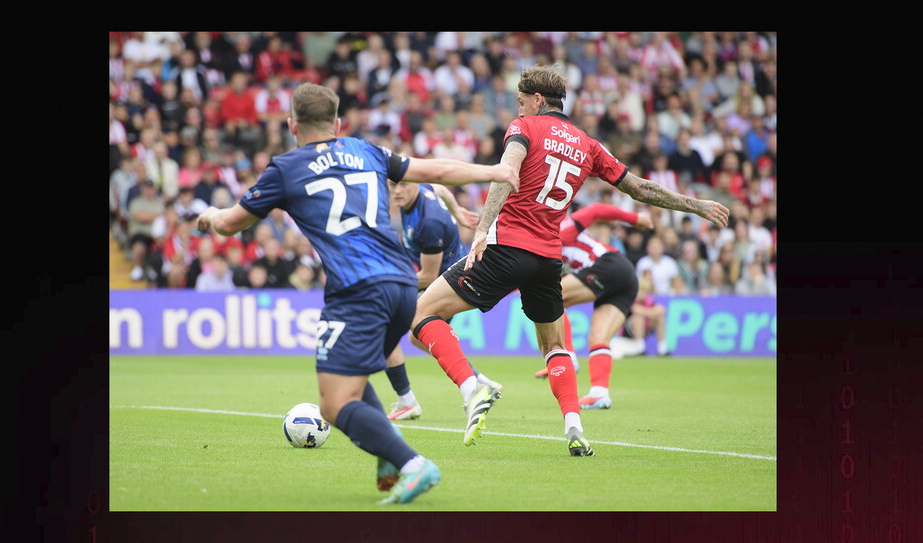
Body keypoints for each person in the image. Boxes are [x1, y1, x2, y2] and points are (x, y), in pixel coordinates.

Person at [195, 82, 518, 504]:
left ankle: (410, 462)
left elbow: (233, 223)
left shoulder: (286, 167)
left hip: (356, 291)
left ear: (292, 124)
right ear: (338, 123)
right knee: (355, 376)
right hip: (404, 286)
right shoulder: (366, 151)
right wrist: (493, 171)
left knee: (332, 404)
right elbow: (435, 173)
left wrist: (211, 216)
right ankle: (387, 448)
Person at [409, 65, 729, 457]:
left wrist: (481, 229)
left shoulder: (525, 127)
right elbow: (639, 188)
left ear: (538, 100)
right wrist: (693, 204)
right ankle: (574, 426)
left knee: (422, 314)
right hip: (547, 258)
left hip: (506, 246)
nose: (520, 108)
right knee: (555, 345)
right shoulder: (588, 145)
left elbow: (506, 172)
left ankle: (472, 386)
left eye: (522, 102)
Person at [383, 180, 501, 421]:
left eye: (403, 184)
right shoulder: (422, 192)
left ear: (414, 183)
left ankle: (408, 401)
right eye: (392, 185)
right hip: (445, 275)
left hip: (450, 281)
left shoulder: (429, 222)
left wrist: (386, 282)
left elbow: (427, 275)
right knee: (417, 338)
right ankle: (478, 381)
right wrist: (457, 212)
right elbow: (442, 189)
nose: (397, 191)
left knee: (384, 329)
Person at [531, 203, 654, 412]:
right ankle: (599, 393)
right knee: (598, 338)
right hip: (625, 280)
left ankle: (567, 355)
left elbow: (596, 210)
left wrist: (634, 219)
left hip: (608, 264)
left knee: (549, 296)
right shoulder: (537, 248)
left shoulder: (559, 229)